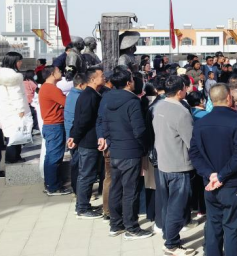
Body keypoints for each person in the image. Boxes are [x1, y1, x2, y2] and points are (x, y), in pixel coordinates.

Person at [189, 84, 237, 256]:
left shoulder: (201, 122)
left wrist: (210, 174)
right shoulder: (236, 120)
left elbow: (194, 154)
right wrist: (220, 175)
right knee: (233, 228)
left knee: (213, 227)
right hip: (230, 183)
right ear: (229, 98)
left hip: (211, 183)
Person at [98, 67, 153, 240]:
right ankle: (131, 227)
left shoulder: (107, 98)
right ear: (129, 83)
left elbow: (104, 123)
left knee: (116, 187)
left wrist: (108, 140)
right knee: (130, 190)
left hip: (115, 149)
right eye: (132, 79)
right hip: (130, 150)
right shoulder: (132, 101)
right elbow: (139, 130)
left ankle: (116, 224)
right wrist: (145, 147)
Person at [152, 75, 197, 256]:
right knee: (177, 207)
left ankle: (169, 237)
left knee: (169, 205)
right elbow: (192, 142)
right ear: (180, 91)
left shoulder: (158, 106)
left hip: (163, 163)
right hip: (179, 165)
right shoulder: (181, 112)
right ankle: (171, 246)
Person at [67, 68, 105, 218]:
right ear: (93, 79)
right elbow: (83, 120)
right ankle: (82, 208)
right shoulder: (89, 96)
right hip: (88, 141)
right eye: (101, 75)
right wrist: (75, 137)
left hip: (87, 140)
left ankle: (83, 205)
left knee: (86, 174)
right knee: (86, 175)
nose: (104, 77)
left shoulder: (91, 94)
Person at [0, 52, 30, 164]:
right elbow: (16, 95)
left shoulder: (0, 73)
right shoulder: (12, 76)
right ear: (14, 62)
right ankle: (13, 158)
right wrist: (20, 109)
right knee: (16, 134)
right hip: (14, 110)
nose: (21, 63)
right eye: (19, 61)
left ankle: (13, 157)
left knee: (10, 134)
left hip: (5, 109)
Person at [39, 66, 70, 196]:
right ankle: (53, 187)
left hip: (50, 125)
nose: (61, 72)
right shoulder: (51, 89)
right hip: (55, 125)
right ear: (52, 74)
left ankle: (50, 183)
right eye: (58, 71)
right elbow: (67, 103)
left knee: (50, 156)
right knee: (54, 157)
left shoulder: (45, 87)